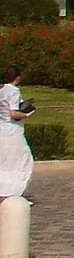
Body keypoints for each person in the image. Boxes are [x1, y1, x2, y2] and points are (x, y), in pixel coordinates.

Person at [0, 66, 34, 200]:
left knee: (5, 164)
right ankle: (14, 193)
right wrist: (26, 114)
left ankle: (4, 191)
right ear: (18, 77)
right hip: (13, 132)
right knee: (23, 162)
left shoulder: (2, 91)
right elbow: (13, 113)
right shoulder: (14, 91)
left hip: (2, 131)